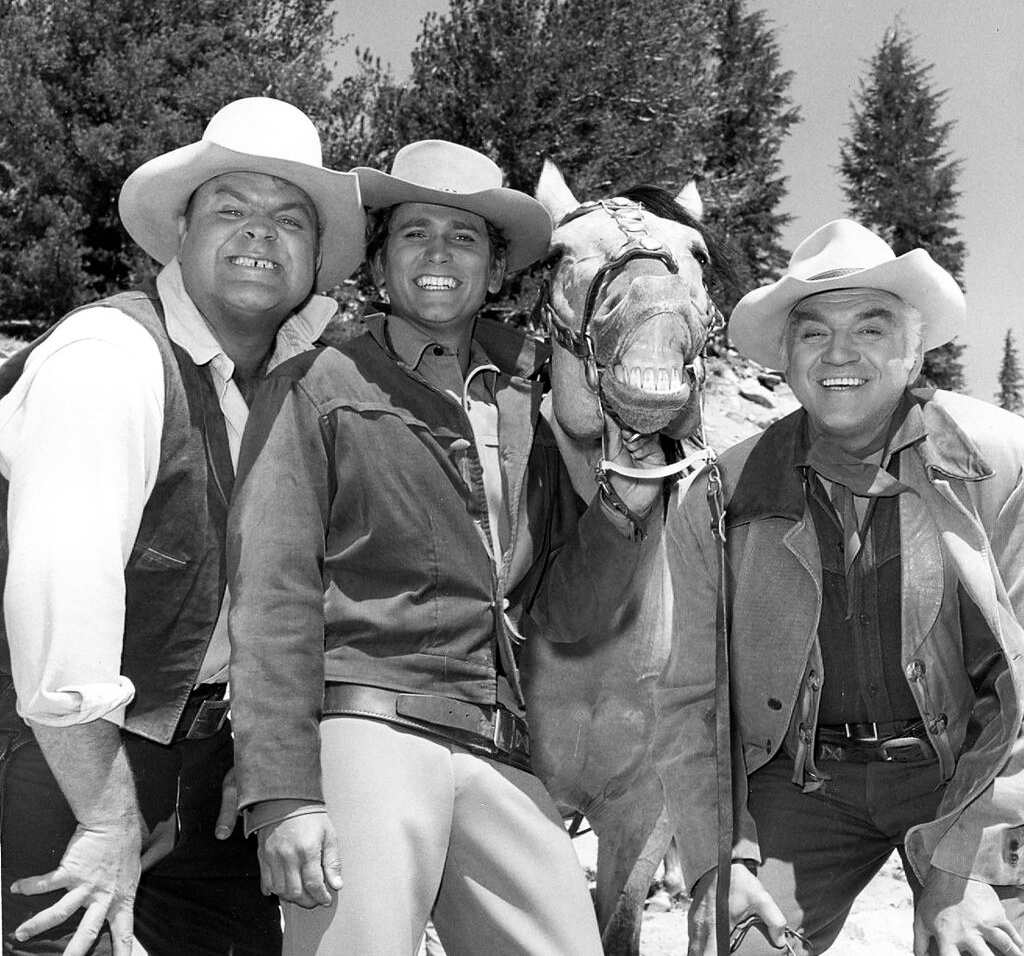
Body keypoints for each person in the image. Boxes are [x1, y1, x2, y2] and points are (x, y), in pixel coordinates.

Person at [226, 140, 665, 956]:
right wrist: (284, 793)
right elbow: (272, 595)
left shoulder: (540, 390)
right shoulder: (320, 383)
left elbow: (577, 591)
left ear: (496, 270)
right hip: (370, 722)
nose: (437, 254)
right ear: (381, 262)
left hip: (503, 739)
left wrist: (629, 501)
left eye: (463, 237)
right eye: (413, 233)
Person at [0, 96, 365, 956]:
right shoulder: (110, 358)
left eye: (287, 219)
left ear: (315, 259)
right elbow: (58, 599)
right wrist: (103, 810)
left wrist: (264, 745)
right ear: (181, 233)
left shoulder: (292, 386)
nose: (258, 233)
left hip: (214, 771)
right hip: (67, 758)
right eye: (230, 209)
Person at [655, 219, 1024, 956]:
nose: (841, 353)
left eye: (872, 326)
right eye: (814, 332)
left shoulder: (1000, 463)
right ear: (786, 357)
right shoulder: (720, 497)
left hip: (969, 771)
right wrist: (717, 859)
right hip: (797, 779)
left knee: (985, 945)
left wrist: (973, 860)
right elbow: (690, 697)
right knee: (742, 946)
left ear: (916, 348)